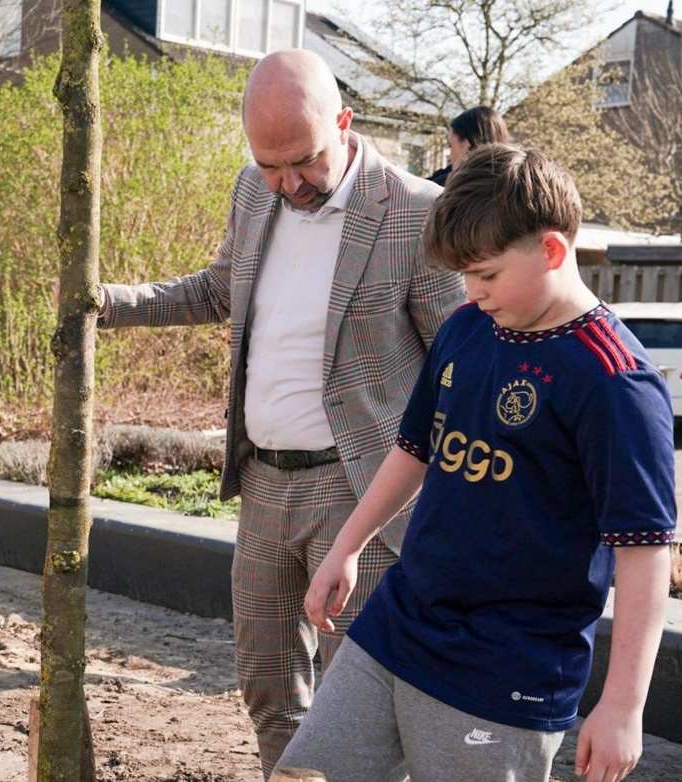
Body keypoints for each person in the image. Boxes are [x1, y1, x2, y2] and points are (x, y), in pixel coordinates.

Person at [96, 48, 465, 774]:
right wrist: (106, 303)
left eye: (303, 161)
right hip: (262, 486)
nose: (289, 183)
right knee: (267, 689)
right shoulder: (254, 191)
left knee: (360, 704)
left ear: (345, 121)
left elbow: (456, 373)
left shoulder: (417, 213)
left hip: (359, 494)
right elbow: (218, 290)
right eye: (271, 164)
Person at [278, 145, 675, 782]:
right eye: (464, 276)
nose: (472, 292)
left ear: (550, 251)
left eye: (486, 274)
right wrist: (346, 547)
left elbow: (646, 549)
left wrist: (624, 704)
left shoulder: (615, 382)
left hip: (508, 669)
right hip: (400, 625)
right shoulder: (467, 328)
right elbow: (415, 448)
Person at [427, 105, 510, 186]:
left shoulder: (454, 186)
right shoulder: (511, 183)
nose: (449, 155)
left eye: (450, 145)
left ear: (467, 146)